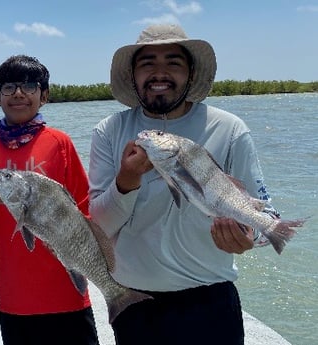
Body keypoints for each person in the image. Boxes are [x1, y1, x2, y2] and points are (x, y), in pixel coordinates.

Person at [88, 24, 279, 345]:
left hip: (210, 302)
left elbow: (265, 215)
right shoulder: (108, 131)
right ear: (133, 75)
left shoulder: (230, 129)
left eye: (173, 62)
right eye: (147, 63)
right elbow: (101, 227)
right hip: (134, 303)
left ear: (190, 73)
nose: (159, 73)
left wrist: (249, 237)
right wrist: (127, 180)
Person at [0, 55, 100, 345]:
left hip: (68, 293)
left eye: (29, 86)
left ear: (44, 95)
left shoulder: (60, 142)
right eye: (9, 86)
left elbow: (85, 209)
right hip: (15, 301)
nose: (18, 93)